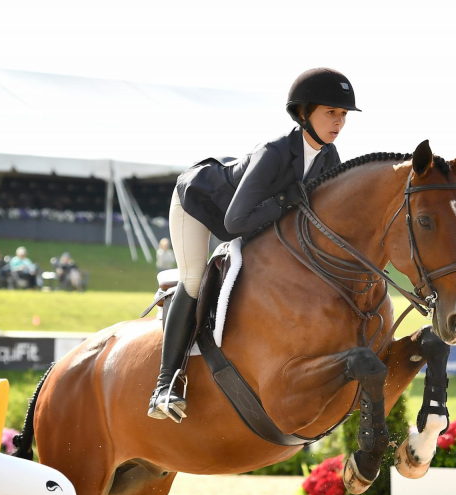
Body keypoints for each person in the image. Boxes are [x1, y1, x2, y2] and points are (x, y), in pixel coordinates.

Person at [148, 67, 357, 422]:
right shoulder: (273, 153)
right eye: (330, 112)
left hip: (247, 218)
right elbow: (233, 225)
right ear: (304, 113)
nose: (338, 122)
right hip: (200, 203)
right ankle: (164, 385)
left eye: (343, 115)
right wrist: (282, 203)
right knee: (195, 280)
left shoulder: (329, 159)